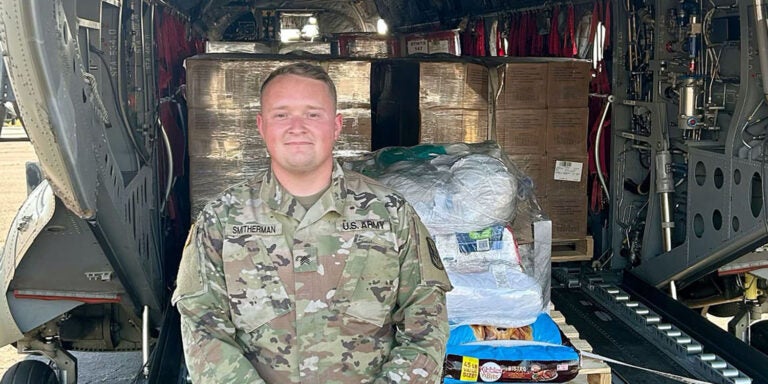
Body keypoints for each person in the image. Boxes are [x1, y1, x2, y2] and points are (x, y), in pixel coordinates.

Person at [173, 62, 452, 383]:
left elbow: (426, 323)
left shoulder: (390, 214)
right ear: (261, 126)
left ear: (336, 126)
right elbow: (202, 328)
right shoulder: (220, 220)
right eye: (281, 114)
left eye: (312, 114)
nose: (297, 127)